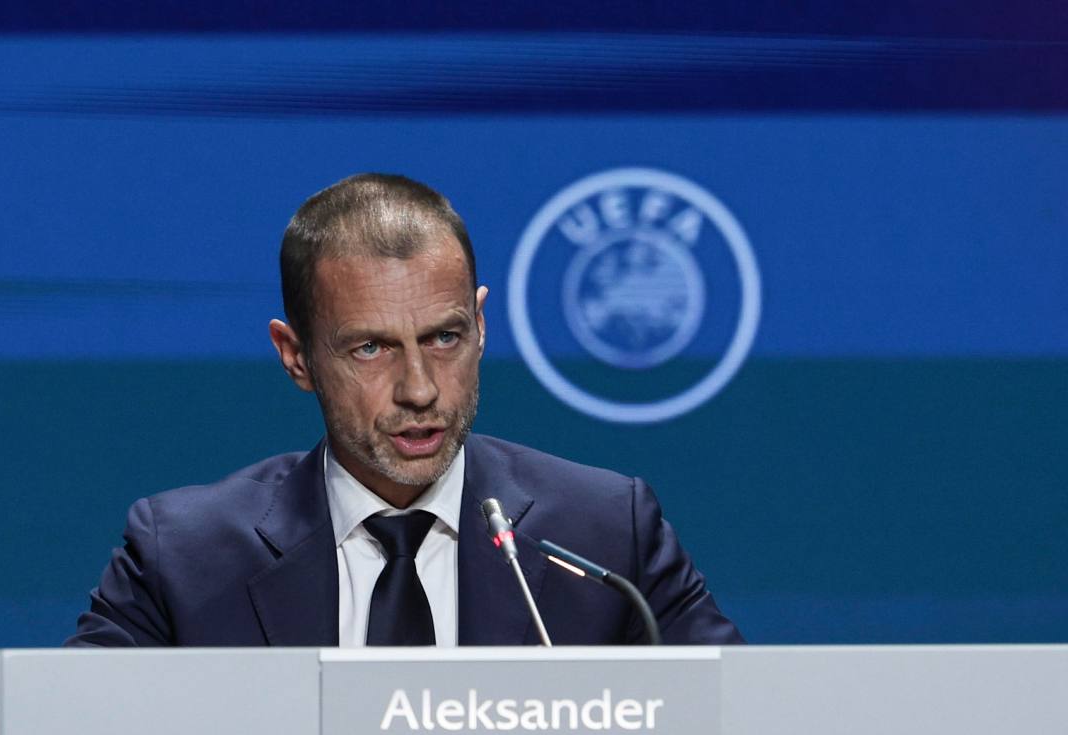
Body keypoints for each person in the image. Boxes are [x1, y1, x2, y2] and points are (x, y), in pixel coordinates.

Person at [66, 173, 743, 647]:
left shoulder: (607, 537)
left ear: (481, 326)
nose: (419, 389)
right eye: (371, 348)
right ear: (296, 356)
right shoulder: (183, 560)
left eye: (445, 338)